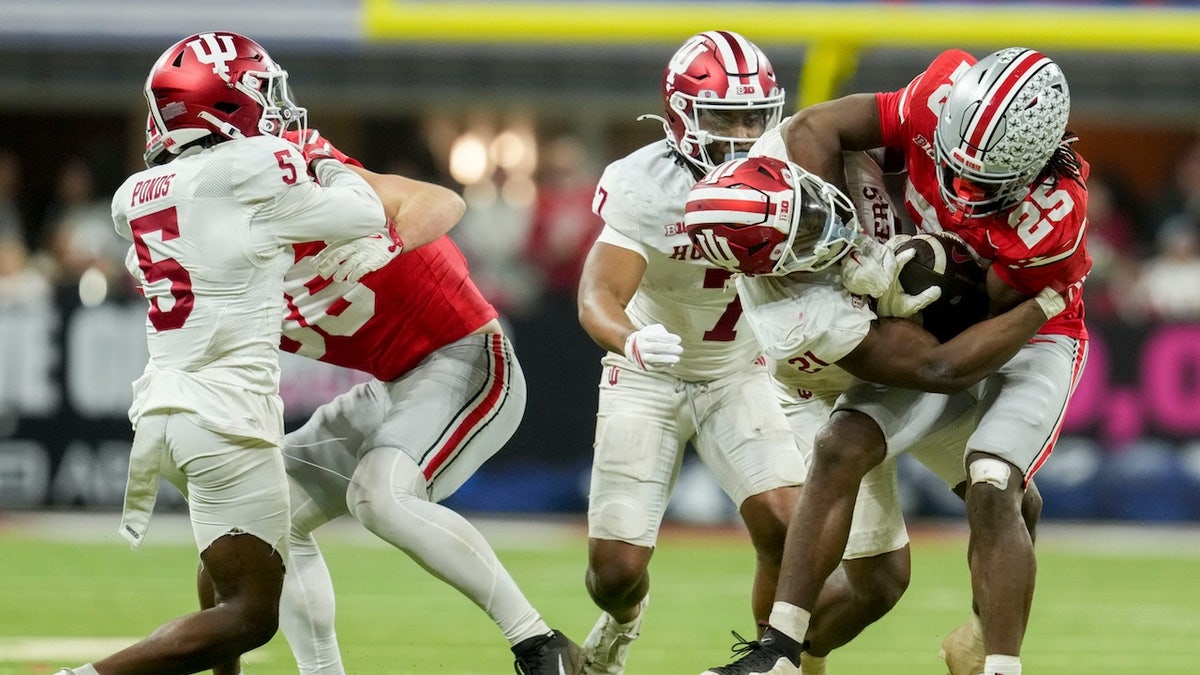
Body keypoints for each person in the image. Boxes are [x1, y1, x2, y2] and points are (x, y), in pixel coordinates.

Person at [702, 47, 1092, 675]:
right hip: (903, 341)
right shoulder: (800, 315)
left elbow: (969, 343)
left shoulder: (1053, 214)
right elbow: (935, 365)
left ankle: (995, 660)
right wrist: (861, 254)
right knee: (845, 445)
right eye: (953, 164)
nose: (961, 193)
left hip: (1025, 328)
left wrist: (1046, 297)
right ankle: (779, 651)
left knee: (996, 482)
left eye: (981, 182)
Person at [576, 30, 912, 675]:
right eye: (723, 117)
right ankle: (622, 623)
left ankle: (774, 664)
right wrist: (630, 338)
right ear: (679, 115)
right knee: (614, 573)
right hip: (648, 370)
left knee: (789, 536)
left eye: (754, 117)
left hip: (741, 369)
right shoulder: (644, 182)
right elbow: (597, 294)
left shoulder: (798, 167)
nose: (741, 134)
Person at [56, 31, 389, 675]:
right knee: (251, 612)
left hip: (166, 412)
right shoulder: (250, 165)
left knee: (229, 565)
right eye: (261, 91)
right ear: (223, 103)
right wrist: (323, 161)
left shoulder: (138, 194)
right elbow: (363, 213)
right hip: (227, 416)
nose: (277, 107)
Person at [273, 129, 585, 675]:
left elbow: (443, 200)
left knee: (380, 495)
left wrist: (385, 241)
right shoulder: (220, 267)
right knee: (264, 507)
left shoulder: (310, 178)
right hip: (393, 383)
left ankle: (541, 647)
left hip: (465, 354)